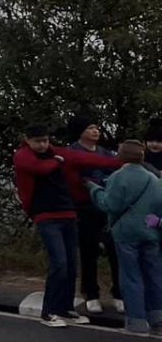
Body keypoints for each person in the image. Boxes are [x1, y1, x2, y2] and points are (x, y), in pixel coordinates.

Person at [15, 124, 94, 326]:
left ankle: (65, 308)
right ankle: (49, 311)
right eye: (38, 141)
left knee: (71, 264)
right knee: (59, 263)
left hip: (67, 212)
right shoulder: (25, 156)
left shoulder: (57, 153)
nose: (42, 145)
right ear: (28, 140)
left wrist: (122, 160)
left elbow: (87, 159)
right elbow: (39, 169)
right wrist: (56, 161)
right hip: (46, 216)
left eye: (45, 140)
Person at [89, 140, 162, 335]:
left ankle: (136, 322)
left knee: (131, 277)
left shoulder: (118, 177)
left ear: (121, 156)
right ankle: (158, 319)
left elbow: (109, 205)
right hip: (151, 232)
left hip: (126, 233)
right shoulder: (153, 178)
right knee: (154, 276)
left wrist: (94, 190)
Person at [65, 116, 123, 314]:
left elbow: (115, 173)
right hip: (84, 207)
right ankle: (91, 294)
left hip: (107, 207)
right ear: (80, 131)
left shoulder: (105, 152)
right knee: (88, 252)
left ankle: (119, 294)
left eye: (97, 128)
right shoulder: (72, 152)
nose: (95, 131)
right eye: (90, 128)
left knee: (115, 250)